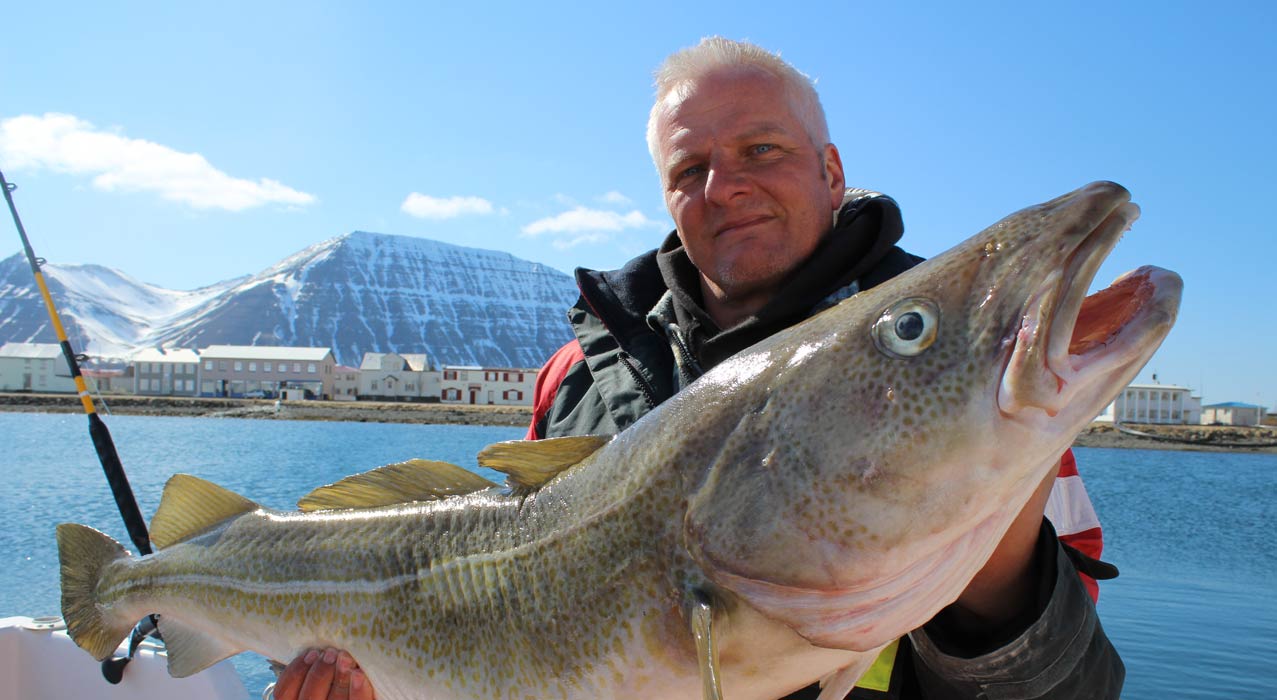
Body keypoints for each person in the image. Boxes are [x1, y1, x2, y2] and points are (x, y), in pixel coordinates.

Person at [276, 37, 1122, 699]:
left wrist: (1002, 577)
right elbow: (491, 628)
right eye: (691, 168)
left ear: (832, 173)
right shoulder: (574, 372)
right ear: (668, 199)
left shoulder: (978, 376)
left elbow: (1071, 689)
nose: (725, 186)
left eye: (761, 150)